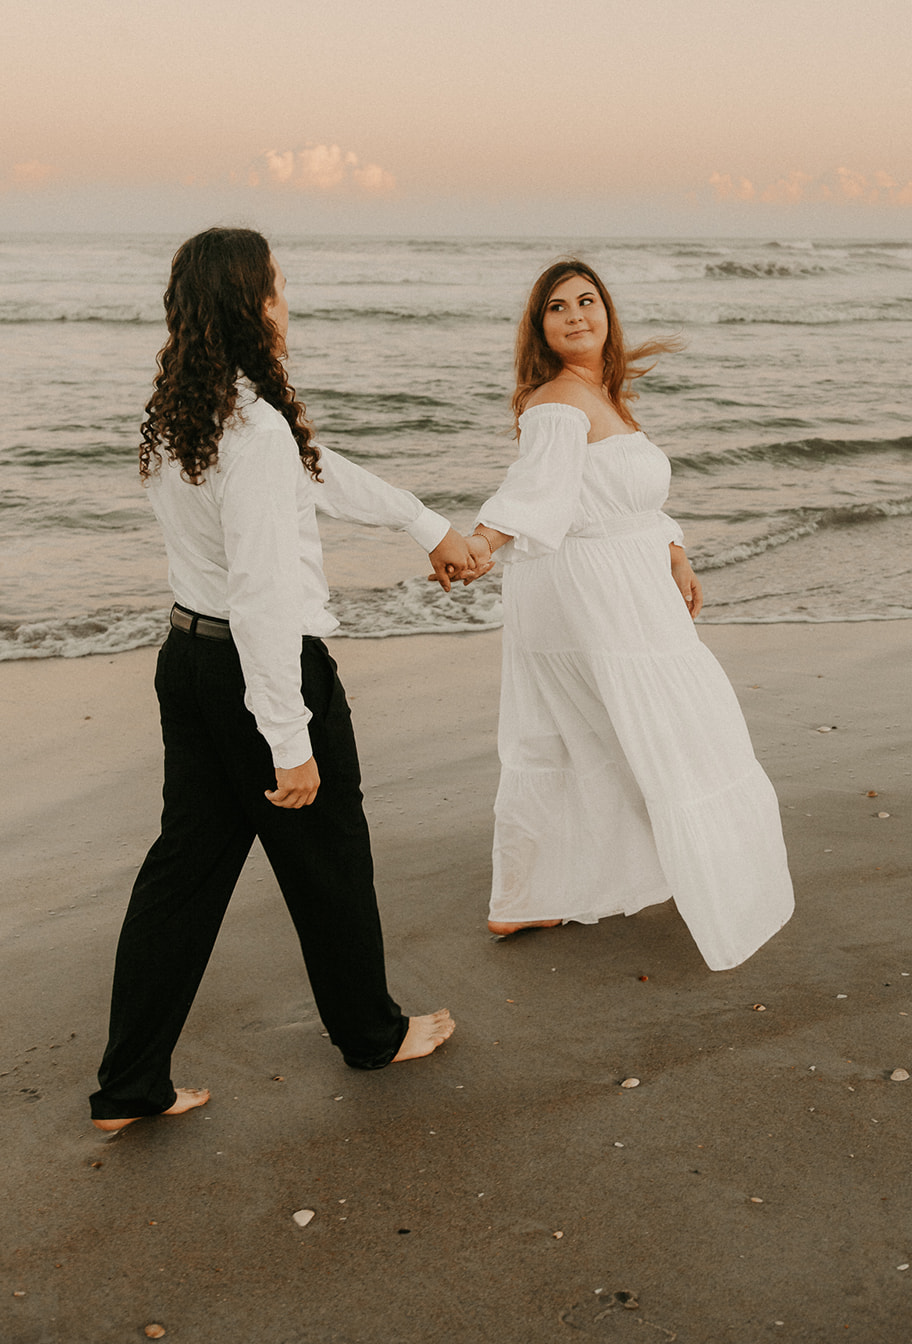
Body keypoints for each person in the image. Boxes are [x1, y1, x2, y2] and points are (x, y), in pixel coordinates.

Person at [90, 228, 469, 1132]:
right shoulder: (251, 430)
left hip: (187, 660)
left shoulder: (187, 412)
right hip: (258, 670)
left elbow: (315, 470)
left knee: (182, 873)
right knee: (329, 856)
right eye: (277, 290)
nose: (285, 305)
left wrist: (423, 522)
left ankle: (128, 1086)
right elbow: (262, 593)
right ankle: (374, 1035)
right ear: (250, 306)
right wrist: (290, 740)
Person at [460, 259, 793, 971]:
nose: (576, 314)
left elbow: (627, 496)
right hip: (588, 593)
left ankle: (528, 894)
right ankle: (532, 892)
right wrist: (482, 542)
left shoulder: (600, 394)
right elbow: (534, 493)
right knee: (634, 727)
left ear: (607, 313)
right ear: (540, 328)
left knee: (594, 732)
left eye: (587, 300)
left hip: (625, 583)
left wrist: (675, 551)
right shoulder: (556, 403)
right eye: (557, 306)